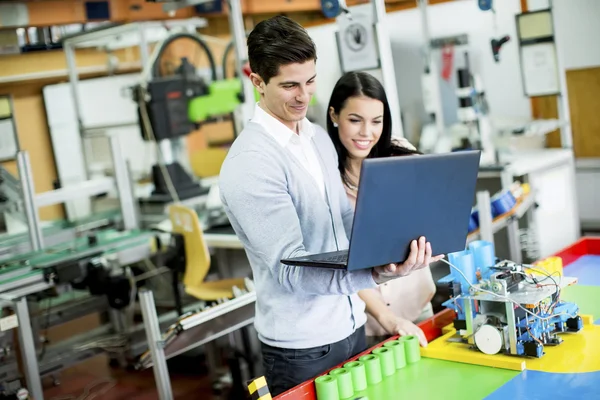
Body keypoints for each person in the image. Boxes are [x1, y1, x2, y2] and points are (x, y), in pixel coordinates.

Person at [218, 16, 442, 396]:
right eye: (289, 85)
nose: (304, 96)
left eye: (310, 81)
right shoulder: (250, 163)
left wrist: (398, 237)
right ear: (257, 81)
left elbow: (342, 218)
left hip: (352, 325)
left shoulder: (317, 138)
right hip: (302, 346)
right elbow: (294, 271)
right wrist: (378, 274)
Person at [326, 71, 437, 348]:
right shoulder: (326, 179)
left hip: (419, 306)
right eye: (355, 120)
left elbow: (429, 217)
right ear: (334, 115)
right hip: (373, 324)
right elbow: (346, 269)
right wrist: (390, 320)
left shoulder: (401, 154)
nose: (367, 133)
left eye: (376, 121)